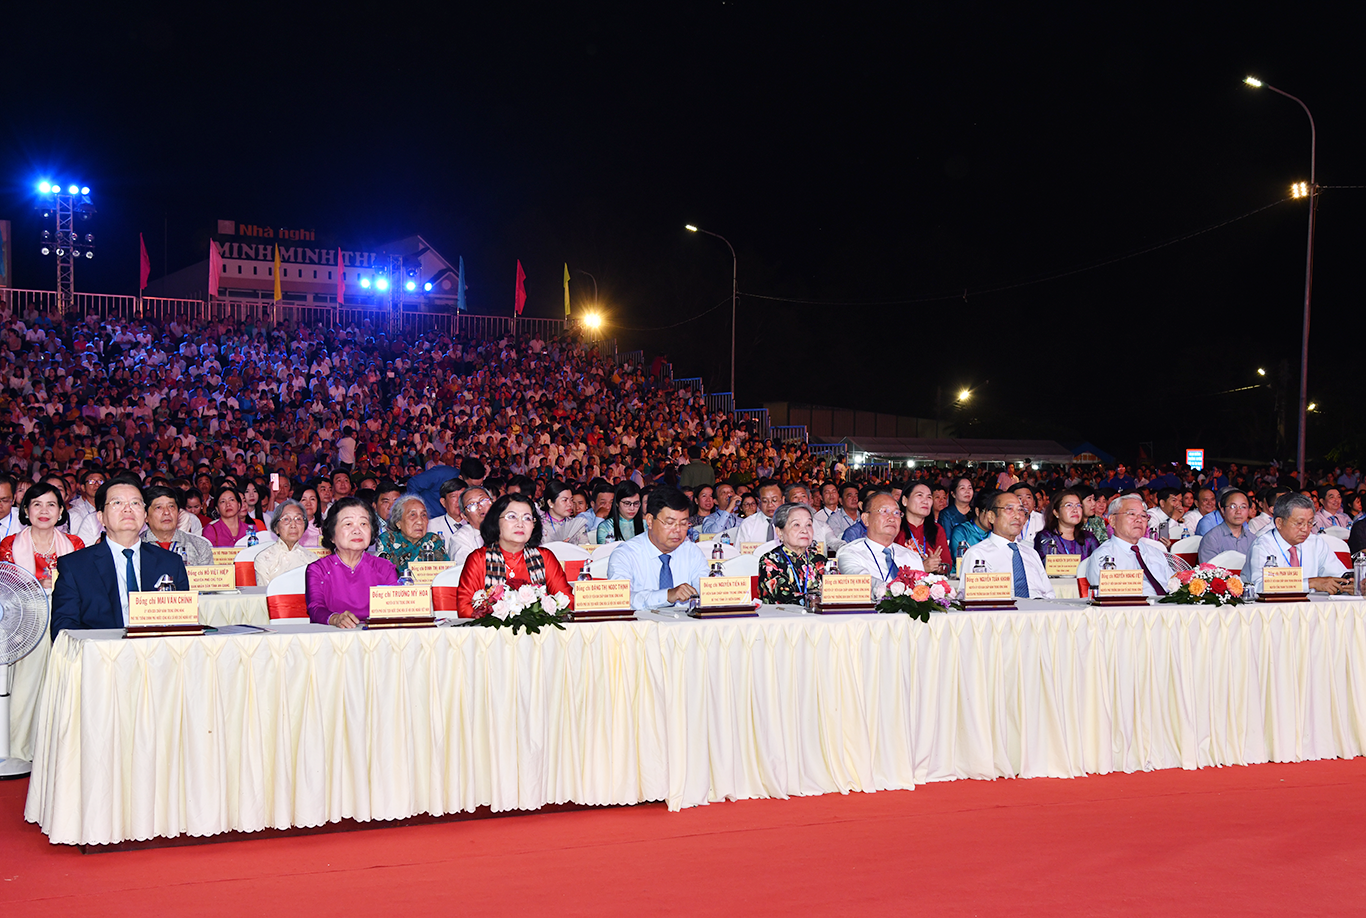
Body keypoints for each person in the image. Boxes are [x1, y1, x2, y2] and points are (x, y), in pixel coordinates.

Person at [50, 478, 189, 637]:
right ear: (101, 517)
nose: (128, 509)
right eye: (117, 503)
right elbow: (63, 628)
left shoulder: (171, 562)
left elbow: (183, 622)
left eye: (135, 503)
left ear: (144, 515)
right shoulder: (75, 566)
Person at [454, 492, 573, 617]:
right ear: (496, 521)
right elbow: (465, 608)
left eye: (527, 518)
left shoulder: (545, 557)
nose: (520, 524)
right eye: (512, 517)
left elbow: (566, 601)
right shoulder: (479, 559)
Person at [606, 485, 707, 611]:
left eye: (683, 523)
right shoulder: (626, 554)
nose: (678, 530)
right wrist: (667, 595)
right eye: (670, 523)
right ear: (649, 521)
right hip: (641, 627)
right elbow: (620, 599)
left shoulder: (692, 552)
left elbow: (707, 592)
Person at [305, 497, 398, 628]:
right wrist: (335, 618)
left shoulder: (385, 568)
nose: (357, 530)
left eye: (363, 524)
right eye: (348, 524)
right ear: (332, 534)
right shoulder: (317, 569)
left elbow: (396, 609)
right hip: (334, 638)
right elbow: (315, 608)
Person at [1245, 493, 1351, 595]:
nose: (1306, 529)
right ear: (1279, 523)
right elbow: (1260, 586)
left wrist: (1350, 584)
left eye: (1310, 523)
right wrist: (1309, 583)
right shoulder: (1263, 545)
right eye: (1299, 523)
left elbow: (1338, 575)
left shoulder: (1316, 543)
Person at [959, 489, 1054, 599]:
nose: (1017, 516)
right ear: (991, 516)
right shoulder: (977, 555)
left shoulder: (1031, 553)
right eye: (1009, 509)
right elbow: (972, 600)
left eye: (1021, 510)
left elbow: (1049, 594)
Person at [1085, 494, 1175, 597]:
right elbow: (1106, 598)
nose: (1139, 519)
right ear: (1112, 520)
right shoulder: (1104, 557)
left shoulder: (1156, 553)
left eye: (1143, 516)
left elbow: (1174, 587)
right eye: (1131, 514)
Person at [0, 482, 85, 589]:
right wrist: (36, 588)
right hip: (23, 605)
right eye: (37, 504)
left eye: (51, 504)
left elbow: (83, 585)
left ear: (60, 511)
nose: (44, 511)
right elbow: (5, 592)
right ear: (26, 510)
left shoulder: (75, 544)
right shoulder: (9, 545)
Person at [835, 490, 923, 587]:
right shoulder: (850, 554)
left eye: (897, 513)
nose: (892, 518)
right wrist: (893, 591)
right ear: (865, 519)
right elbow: (863, 582)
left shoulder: (912, 558)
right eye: (884, 511)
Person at [757, 503, 822, 604]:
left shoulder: (819, 560)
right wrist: (814, 599)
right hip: (782, 617)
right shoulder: (769, 561)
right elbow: (783, 596)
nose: (805, 530)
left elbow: (836, 591)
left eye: (808, 525)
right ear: (779, 532)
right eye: (796, 525)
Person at [140, 485, 214, 566]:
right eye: (158, 507)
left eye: (171, 506)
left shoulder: (199, 546)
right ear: (145, 516)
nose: (167, 512)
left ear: (178, 513)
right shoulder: (135, 547)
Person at [378, 493, 450, 575]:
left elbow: (445, 574)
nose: (420, 521)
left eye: (423, 515)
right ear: (398, 522)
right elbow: (384, 576)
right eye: (412, 515)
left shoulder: (433, 540)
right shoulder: (388, 540)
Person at [253, 498, 316, 587]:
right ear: (276, 528)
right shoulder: (264, 558)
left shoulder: (312, 560)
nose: (293, 525)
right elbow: (264, 596)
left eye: (298, 519)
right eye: (286, 519)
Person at [1033, 489, 1099, 563]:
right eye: (1069, 505)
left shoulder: (1088, 538)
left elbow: (1097, 565)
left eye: (1078, 505)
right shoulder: (1046, 537)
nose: (1075, 510)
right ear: (1056, 512)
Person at [896, 482, 947, 573]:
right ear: (905, 501)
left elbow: (947, 564)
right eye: (920, 495)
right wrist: (921, 567)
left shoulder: (937, 529)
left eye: (929, 497)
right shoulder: (895, 529)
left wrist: (939, 567)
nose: (925, 501)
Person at [1196, 489, 1255, 565]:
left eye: (1243, 507)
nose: (1238, 511)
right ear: (1223, 510)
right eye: (1233, 506)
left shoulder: (1253, 539)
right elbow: (1208, 571)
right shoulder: (1211, 538)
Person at [447, 486, 491, 571]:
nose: (480, 506)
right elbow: (469, 569)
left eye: (483, 501)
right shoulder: (460, 538)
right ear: (465, 517)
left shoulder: (507, 528)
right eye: (472, 505)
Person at [540, 479, 591, 544]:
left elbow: (586, 548)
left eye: (571, 500)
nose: (570, 504)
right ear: (550, 503)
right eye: (565, 500)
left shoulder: (576, 524)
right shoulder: (539, 526)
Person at [735, 479, 784, 543]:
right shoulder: (748, 524)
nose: (770, 505)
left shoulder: (791, 522)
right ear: (759, 502)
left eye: (774, 500)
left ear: (783, 500)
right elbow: (739, 551)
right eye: (765, 501)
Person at [426, 478, 467, 554]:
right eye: (453, 496)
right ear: (443, 502)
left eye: (462, 496)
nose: (459, 501)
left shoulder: (475, 524)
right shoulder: (431, 526)